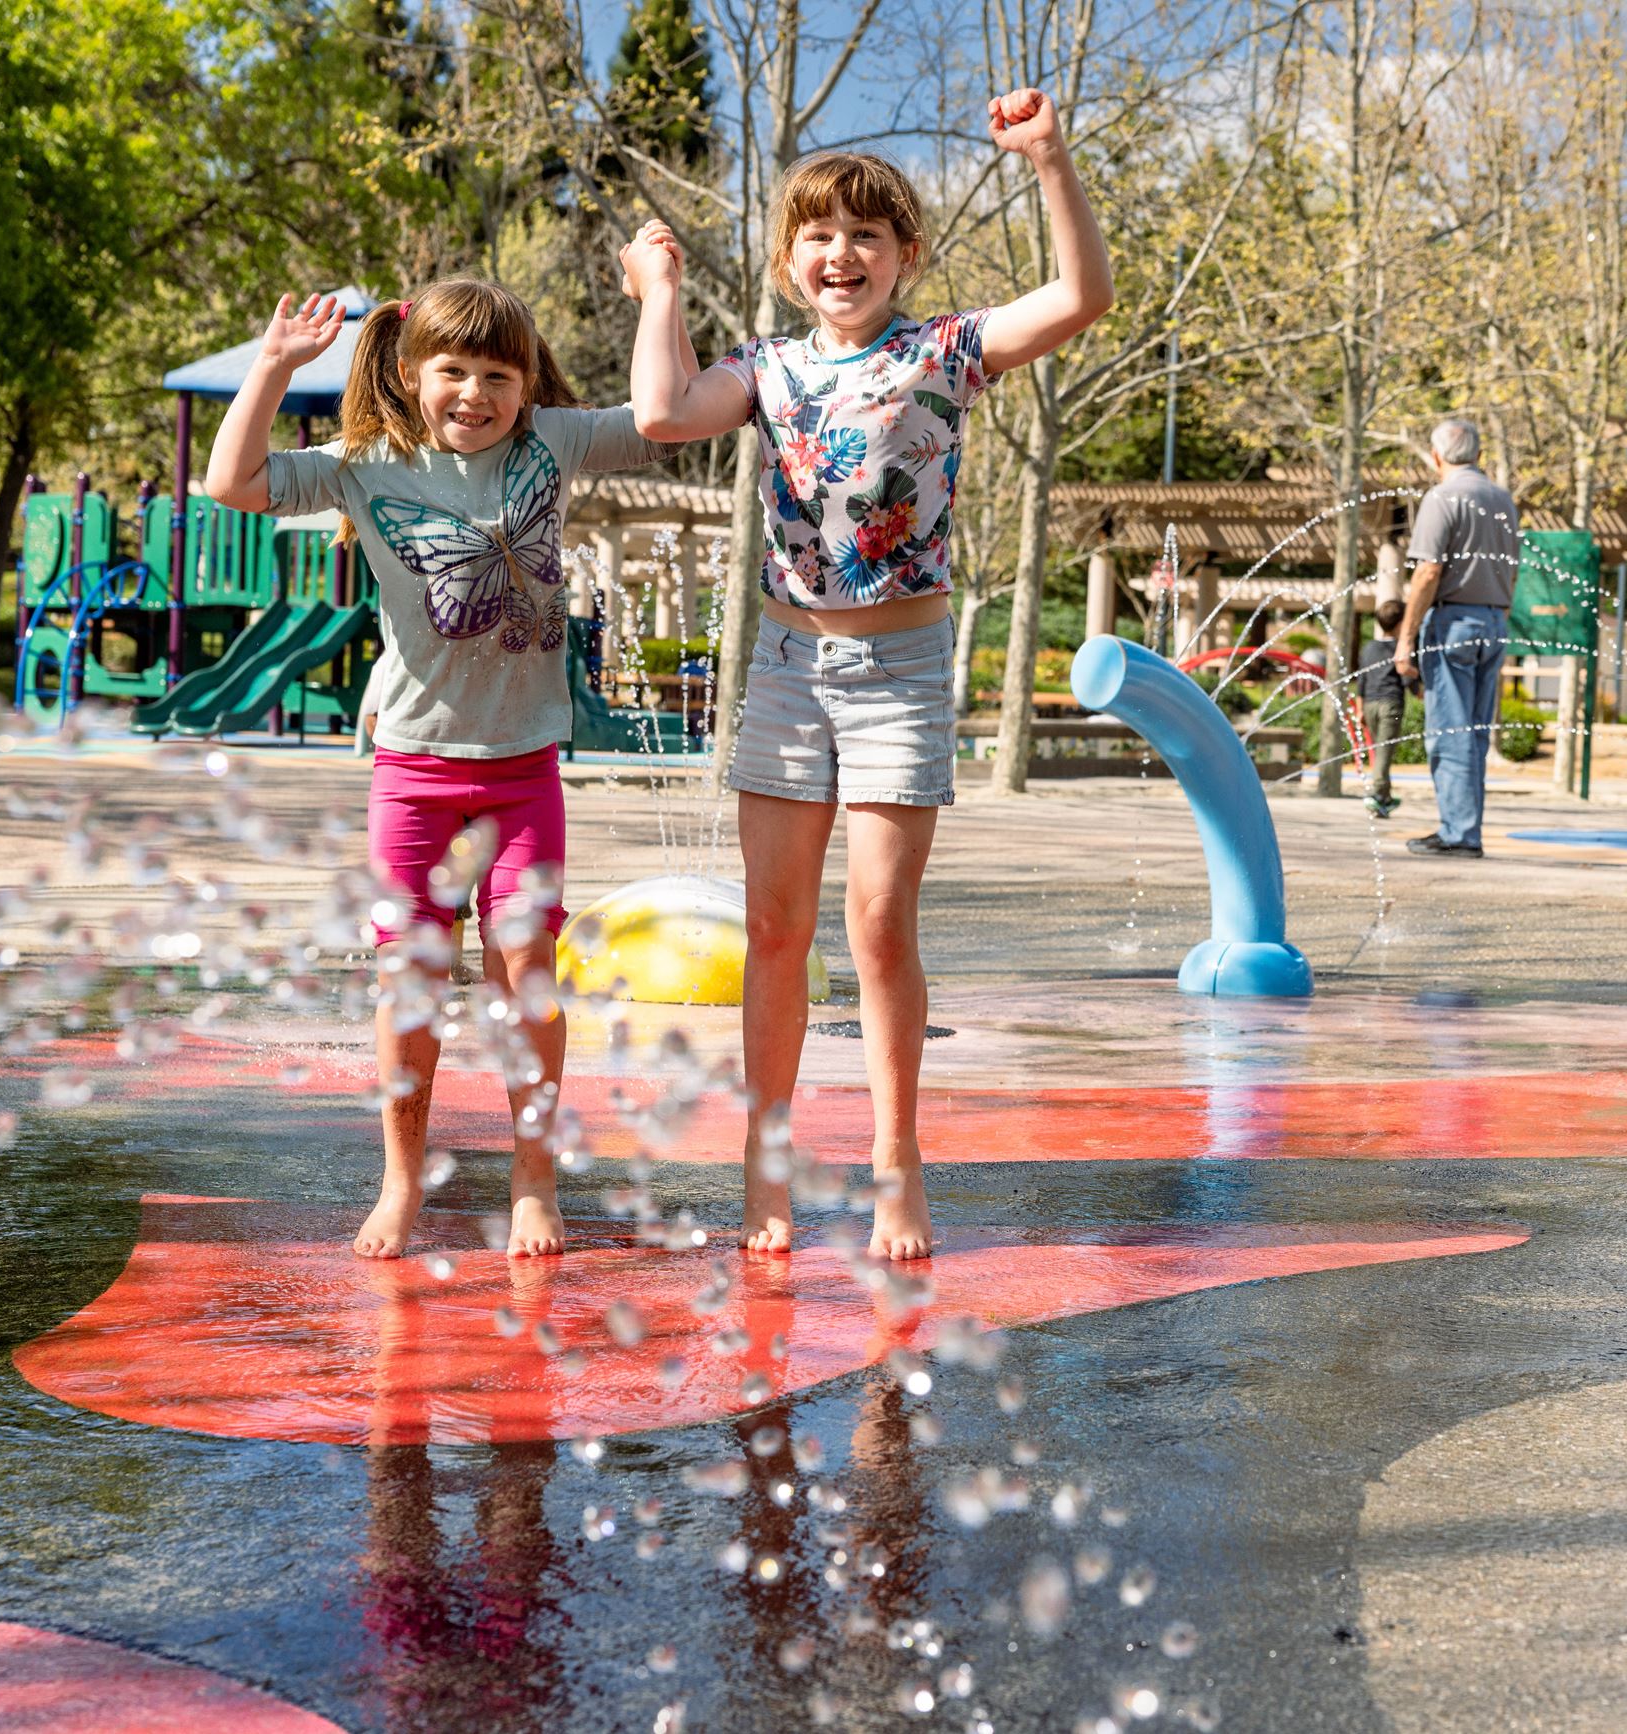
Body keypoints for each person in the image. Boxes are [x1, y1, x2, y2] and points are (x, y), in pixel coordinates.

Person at [621, 89, 1113, 1260]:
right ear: (792, 260)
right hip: (790, 663)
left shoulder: (944, 351)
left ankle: (896, 1155)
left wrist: (1046, 160)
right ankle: (768, 1155)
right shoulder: (766, 370)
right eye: (818, 236)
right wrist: (662, 295)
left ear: (903, 256)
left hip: (899, 663)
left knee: (881, 923)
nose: (841, 254)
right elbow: (657, 411)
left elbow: (1083, 298)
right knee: (774, 927)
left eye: (865, 236)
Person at [203, 280, 671, 1261]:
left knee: (526, 974)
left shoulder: (555, 443)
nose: (475, 393)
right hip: (412, 777)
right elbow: (232, 484)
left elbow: (664, 416)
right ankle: (402, 1178)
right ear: (411, 376)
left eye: (499, 375)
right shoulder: (369, 464)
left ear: (527, 383)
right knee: (408, 984)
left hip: (521, 774)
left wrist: (659, 293)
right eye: (452, 371)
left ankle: (533, 1178)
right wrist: (274, 367)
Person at [1394, 419, 1519, 856]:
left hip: (1452, 624)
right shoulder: (1503, 499)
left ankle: (1458, 834)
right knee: (1476, 733)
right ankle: (1467, 829)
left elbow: (1428, 571)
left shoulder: (1442, 497)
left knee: (1450, 732)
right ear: (1479, 455)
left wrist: (1405, 638)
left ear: (1435, 456)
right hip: (1493, 622)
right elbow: (1513, 569)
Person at [1357, 597, 1412, 819]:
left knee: (1379, 750)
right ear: (1401, 624)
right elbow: (1407, 678)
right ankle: (1376, 793)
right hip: (1391, 705)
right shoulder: (1401, 650)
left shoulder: (1369, 648)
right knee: (1384, 751)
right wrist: (1417, 680)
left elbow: (1361, 681)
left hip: (1369, 704)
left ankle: (1385, 798)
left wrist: (1360, 709)